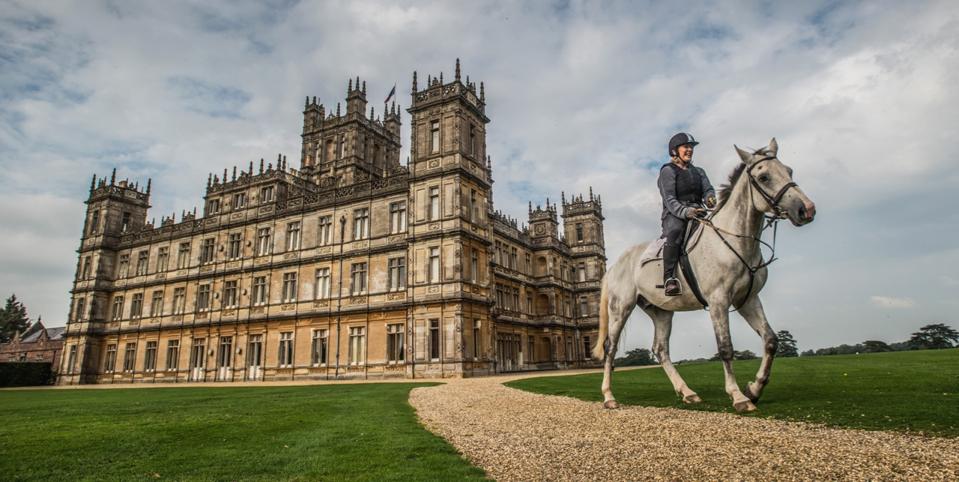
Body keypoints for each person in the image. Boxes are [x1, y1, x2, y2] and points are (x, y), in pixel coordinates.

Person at [657, 132, 717, 296]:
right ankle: (669, 278)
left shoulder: (699, 171)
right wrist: (685, 211)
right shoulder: (667, 171)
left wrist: (710, 198)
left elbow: (708, 189)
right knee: (676, 233)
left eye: (691, 147)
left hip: (698, 212)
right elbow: (669, 199)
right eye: (686, 147)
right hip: (674, 215)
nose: (690, 150)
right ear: (675, 151)